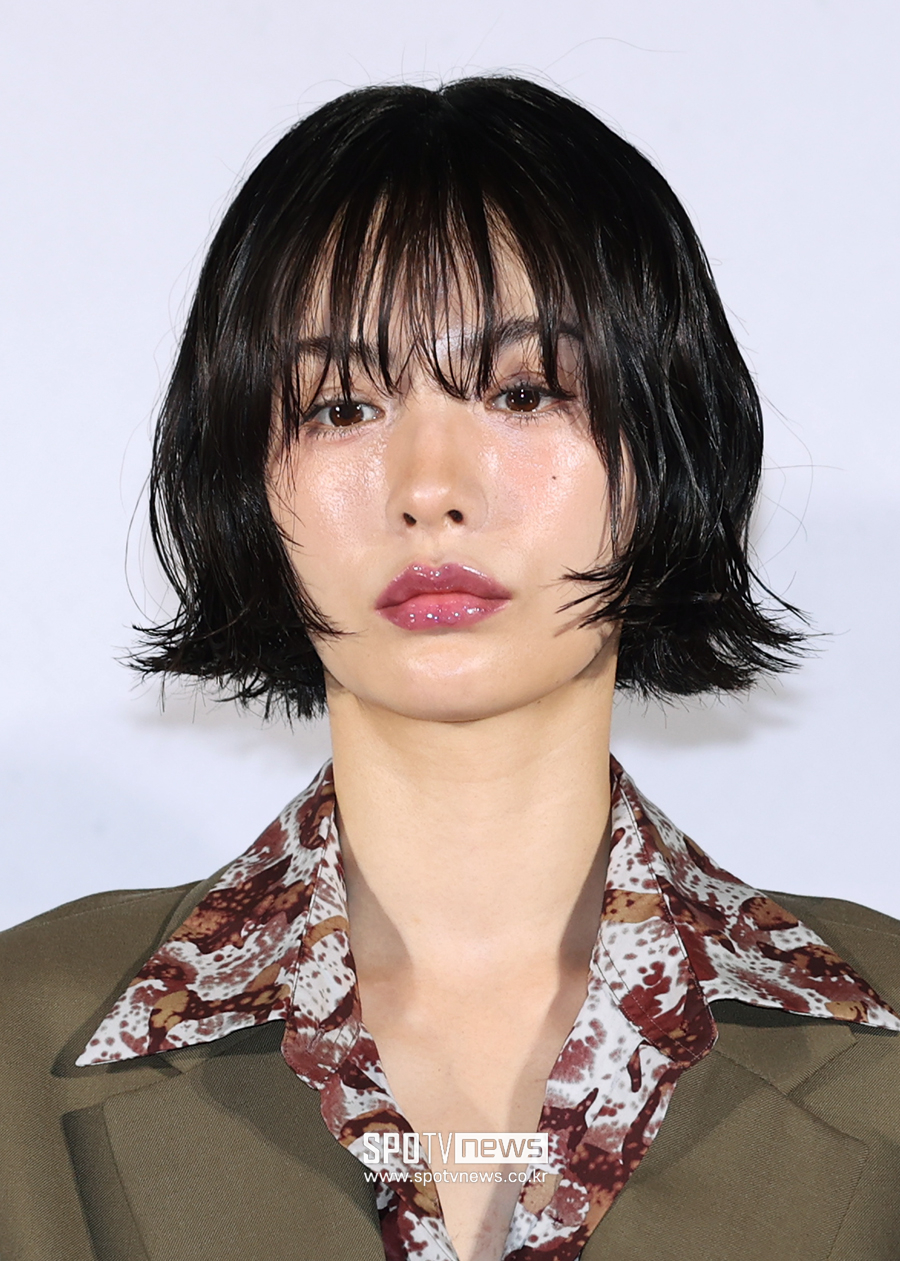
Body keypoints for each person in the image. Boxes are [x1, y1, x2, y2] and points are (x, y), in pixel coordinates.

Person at [2, 75, 899, 1261]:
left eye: (523, 392)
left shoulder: (885, 1044)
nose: (430, 488)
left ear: (666, 439)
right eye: (342, 406)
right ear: (244, 473)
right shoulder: (22, 1040)